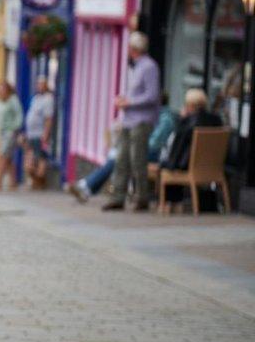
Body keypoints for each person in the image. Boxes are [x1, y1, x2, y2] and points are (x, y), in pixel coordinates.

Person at [68, 95, 176, 203]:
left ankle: (86, 187)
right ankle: (87, 187)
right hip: (147, 152)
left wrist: (135, 144)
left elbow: (154, 144)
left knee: (119, 157)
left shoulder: (165, 119)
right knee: (118, 156)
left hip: (156, 155)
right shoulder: (156, 116)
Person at [103, 31, 161, 211]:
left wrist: (129, 102)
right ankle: (118, 197)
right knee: (121, 159)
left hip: (141, 121)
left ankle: (141, 197)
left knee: (137, 160)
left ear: (135, 48)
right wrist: (124, 98)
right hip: (129, 120)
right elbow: (138, 93)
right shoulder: (136, 67)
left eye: (129, 46)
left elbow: (152, 96)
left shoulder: (149, 67)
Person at [158, 88, 223, 209]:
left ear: (190, 105)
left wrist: (182, 120)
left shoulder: (189, 122)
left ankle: (172, 203)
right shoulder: (217, 120)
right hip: (213, 167)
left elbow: (176, 150)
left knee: (167, 164)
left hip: (189, 166)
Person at [23, 76, 55, 189]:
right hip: (31, 134)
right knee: (29, 161)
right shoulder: (36, 98)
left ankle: (40, 183)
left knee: (41, 158)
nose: (39, 86)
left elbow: (48, 118)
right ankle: (35, 181)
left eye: (42, 84)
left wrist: (45, 134)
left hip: (40, 134)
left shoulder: (48, 99)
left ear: (46, 85)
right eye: (38, 84)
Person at [0, 80, 23, 191]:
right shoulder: (0, 102)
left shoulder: (13, 101)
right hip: (2, 132)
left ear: (8, 90)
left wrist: (15, 129)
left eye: (3, 88)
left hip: (10, 132)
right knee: (9, 159)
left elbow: (19, 116)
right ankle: (13, 182)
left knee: (3, 156)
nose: (0, 91)